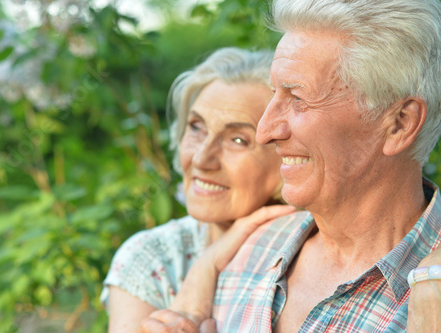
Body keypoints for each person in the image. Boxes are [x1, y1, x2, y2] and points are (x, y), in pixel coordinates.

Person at [140, 0, 441, 332]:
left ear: (399, 123)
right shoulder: (243, 250)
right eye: (273, 94)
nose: (265, 131)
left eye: (298, 99)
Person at [100, 47, 296, 332]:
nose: (201, 159)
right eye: (196, 127)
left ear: (288, 155)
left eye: (238, 140)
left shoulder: (314, 256)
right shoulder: (153, 258)